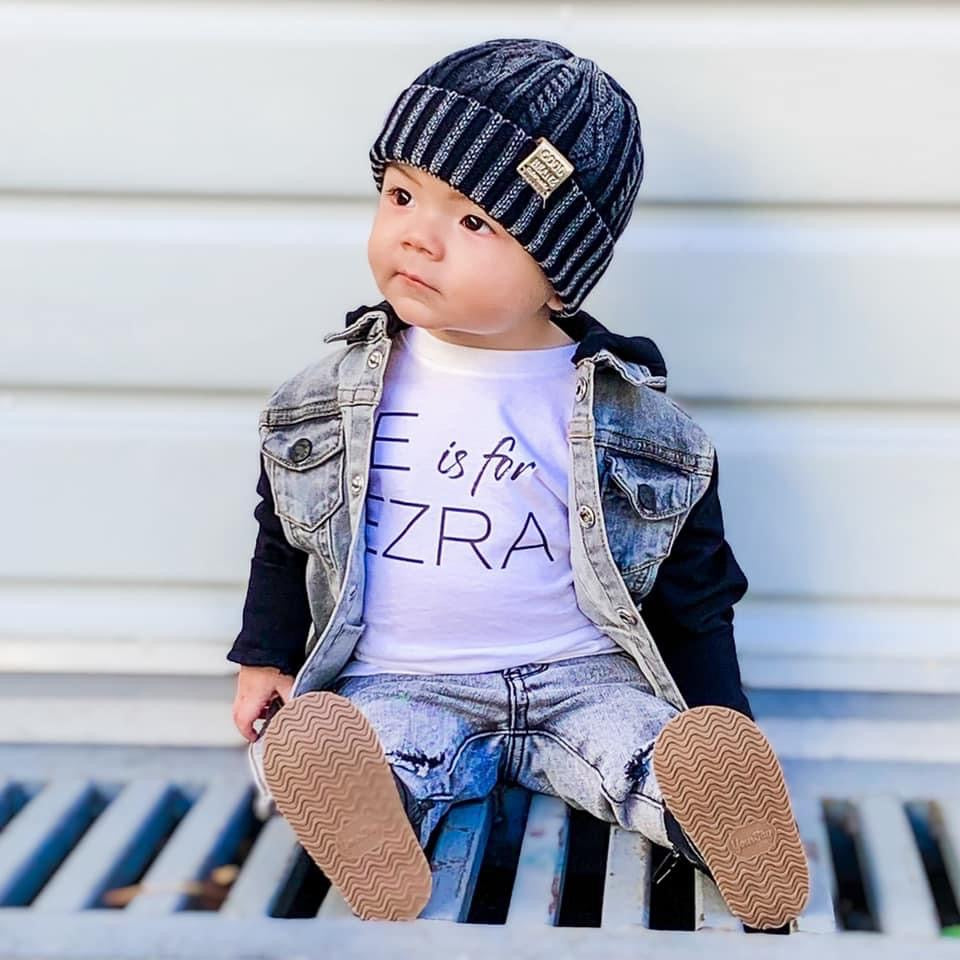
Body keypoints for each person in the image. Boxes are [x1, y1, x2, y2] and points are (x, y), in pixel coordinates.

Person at [226, 38, 809, 928]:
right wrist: (265, 657)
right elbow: (284, 529)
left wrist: (724, 718)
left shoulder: (637, 423)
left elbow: (697, 591)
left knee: (642, 750)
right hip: (402, 680)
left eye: (473, 223)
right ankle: (366, 818)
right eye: (401, 195)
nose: (416, 235)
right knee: (347, 750)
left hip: (583, 676)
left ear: (559, 277)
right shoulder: (328, 398)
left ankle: (717, 811)